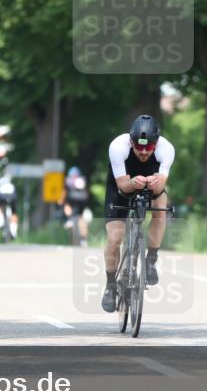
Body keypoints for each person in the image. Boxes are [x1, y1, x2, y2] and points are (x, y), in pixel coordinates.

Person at [102, 115, 175, 313]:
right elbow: (123, 186)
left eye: (148, 148)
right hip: (120, 186)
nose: (143, 152)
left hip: (151, 185)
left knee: (161, 207)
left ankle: (151, 259)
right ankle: (110, 286)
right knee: (115, 237)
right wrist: (132, 183)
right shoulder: (118, 147)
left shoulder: (166, 149)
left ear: (156, 144)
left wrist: (154, 183)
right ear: (131, 142)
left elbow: (160, 186)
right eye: (139, 147)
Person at [62, 166, 90, 247]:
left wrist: (62, 200)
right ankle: (82, 240)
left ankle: (69, 219)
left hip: (73, 202)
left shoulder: (68, 181)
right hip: (81, 202)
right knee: (81, 221)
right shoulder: (82, 180)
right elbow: (87, 193)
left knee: (68, 208)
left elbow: (65, 192)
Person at [0, 176, 18, 240]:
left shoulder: (0, 186)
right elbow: (16, 196)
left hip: (2, 199)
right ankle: (14, 232)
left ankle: (0, 223)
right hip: (12, 200)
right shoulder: (12, 186)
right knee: (14, 214)